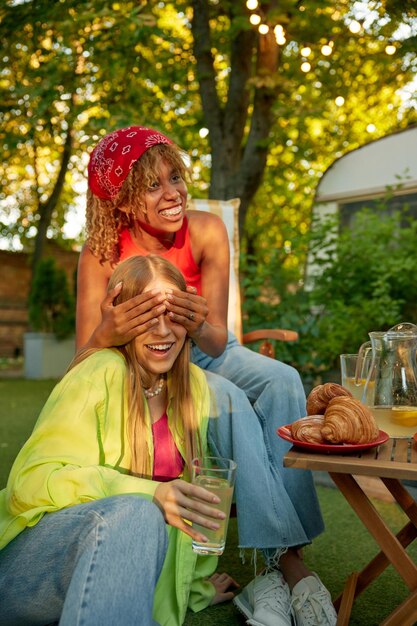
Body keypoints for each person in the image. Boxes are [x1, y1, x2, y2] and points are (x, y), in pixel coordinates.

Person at [76, 126, 338, 626]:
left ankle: (285, 554)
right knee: (229, 401)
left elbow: (218, 340)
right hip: (149, 362)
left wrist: (196, 321)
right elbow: (84, 356)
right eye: (153, 186)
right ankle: (288, 566)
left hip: (205, 349)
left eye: (175, 177)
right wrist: (111, 329)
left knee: (282, 378)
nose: (173, 193)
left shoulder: (207, 231)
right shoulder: (102, 253)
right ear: (126, 199)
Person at [0, 255, 239, 626]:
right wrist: (149, 493)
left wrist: (196, 588)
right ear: (123, 320)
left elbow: (190, 508)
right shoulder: (99, 372)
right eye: (146, 316)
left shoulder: (191, 386)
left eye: (174, 314)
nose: (162, 331)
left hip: (98, 585)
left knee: (141, 513)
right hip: (25, 573)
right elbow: (28, 484)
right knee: (138, 511)